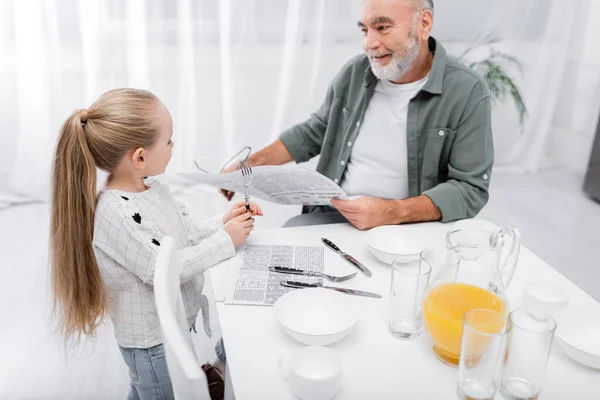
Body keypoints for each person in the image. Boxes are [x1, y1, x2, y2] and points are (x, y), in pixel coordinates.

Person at [49, 88, 262, 400]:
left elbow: (184, 232)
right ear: (140, 157)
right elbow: (161, 269)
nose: (173, 146)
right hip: (151, 344)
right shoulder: (114, 213)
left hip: (169, 331)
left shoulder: (154, 189)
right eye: (169, 140)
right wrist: (226, 241)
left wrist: (224, 222)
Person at [222, 0, 493, 230]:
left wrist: (392, 212)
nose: (369, 44)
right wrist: (250, 164)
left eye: (382, 27)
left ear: (423, 24)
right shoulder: (355, 72)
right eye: (364, 30)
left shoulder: (467, 91)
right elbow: (314, 131)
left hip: (410, 229)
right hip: (331, 218)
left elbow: (470, 189)